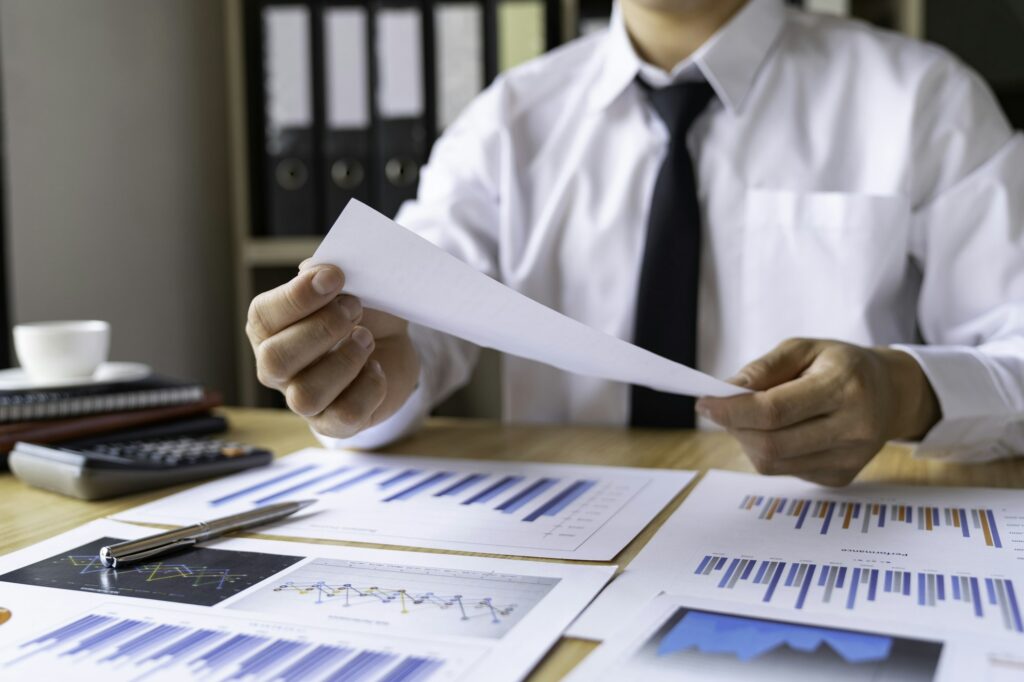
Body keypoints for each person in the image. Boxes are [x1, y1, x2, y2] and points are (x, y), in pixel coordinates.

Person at [245, 0, 1024, 486]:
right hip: (572, 554)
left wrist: (904, 391)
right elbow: (409, 333)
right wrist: (360, 379)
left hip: (838, 534)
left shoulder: (926, 101)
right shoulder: (507, 122)